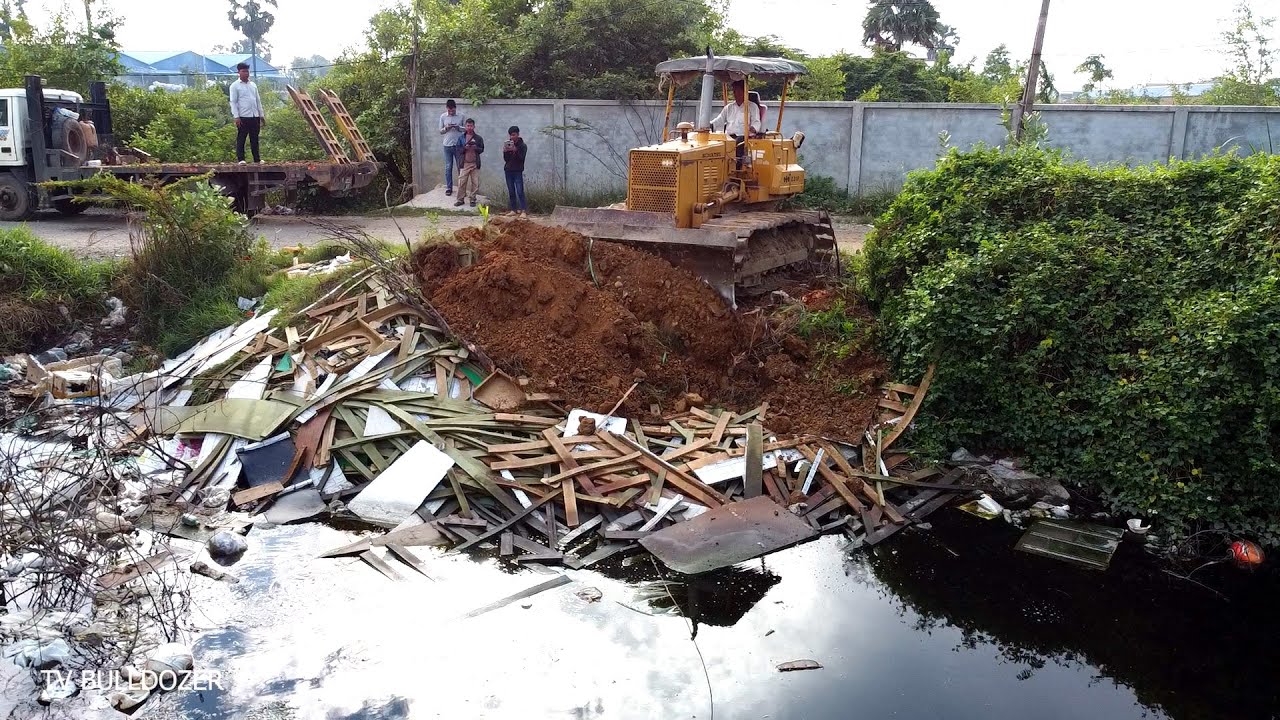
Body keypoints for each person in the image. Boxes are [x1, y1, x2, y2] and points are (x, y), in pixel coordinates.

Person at [229, 62, 265, 164]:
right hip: (243, 116)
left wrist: (261, 115)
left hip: (254, 115)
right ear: (239, 72)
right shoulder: (235, 86)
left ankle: (256, 159)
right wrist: (236, 117)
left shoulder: (253, 85)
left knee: (255, 138)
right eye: (243, 71)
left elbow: (258, 100)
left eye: (247, 71)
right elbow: (233, 102)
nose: (246, 73)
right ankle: (241, 159)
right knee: (242, 137)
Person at [439, 99, 467, 196]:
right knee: (448, 167)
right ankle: (449, 188)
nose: (451, 112)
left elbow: (466, 129)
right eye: (449, 110)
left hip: (459, 145)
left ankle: (461, 188)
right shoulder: (443, 116)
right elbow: (440, 131)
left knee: (460, 167)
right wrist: (446, 128)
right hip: (447, 145)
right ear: (447, 108)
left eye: (453, 110)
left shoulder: (461, 116)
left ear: (455, 108)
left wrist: (458, 127)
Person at [454, 118, 484, 207]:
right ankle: (460, 199)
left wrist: (476, 148)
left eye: (471, 126)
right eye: (468, 126)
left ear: (474, 126)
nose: (469, 127)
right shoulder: (461, 138)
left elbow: (482, 149)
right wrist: (464, 148)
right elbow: (458, 150)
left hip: (475, 163)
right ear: (465, 127)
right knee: (461, 182)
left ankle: (473, 199)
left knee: (475, 183)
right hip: (464, 163)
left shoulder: (478, 138)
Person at [502, 125, 528, 216]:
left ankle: (523, 210)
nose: (512, 137)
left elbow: (521, 158)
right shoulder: (509, 144)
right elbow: (506, 159)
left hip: (517, 170)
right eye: (510, 135)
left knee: (520, 190)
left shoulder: (522, 146)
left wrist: (515, 150)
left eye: (513, 135)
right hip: (508, 170)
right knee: (511, 191)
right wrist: (505, 151)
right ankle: (513, 209)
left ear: (518, 134)